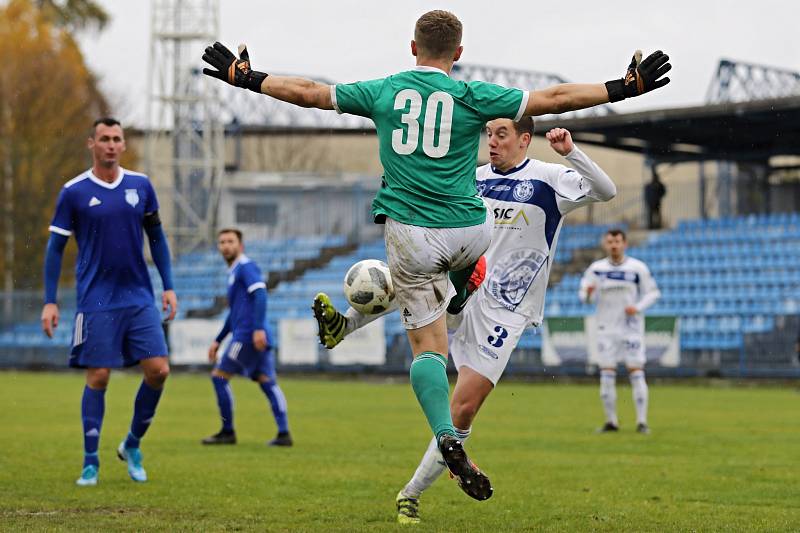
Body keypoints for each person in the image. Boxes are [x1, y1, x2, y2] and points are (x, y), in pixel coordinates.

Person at [201, 9, 670, 501]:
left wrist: (249, 78)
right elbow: (555, 98)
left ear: (412, 47)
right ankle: (454, 291)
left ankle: (444, 429)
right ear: (459, 55)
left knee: (427, 345)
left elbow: (310, 93)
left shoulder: (383, 90)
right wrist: (623, 86)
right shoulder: (471, 95)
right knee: (449, 271)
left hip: (413, 233)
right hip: (471, 232)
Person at [314, 120, 617, 523]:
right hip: (462, 285)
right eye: (489, 133)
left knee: (463, 409)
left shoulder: (549, 178)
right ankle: (344, 326)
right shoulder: (469, 179)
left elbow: (606, 190)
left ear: (524, 139)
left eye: (502, 134)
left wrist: (571, 152)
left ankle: (410, 494)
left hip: (504, 310)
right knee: (417, 270)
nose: (492, 141)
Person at [41, 117, 177, 486]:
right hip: (96, 298)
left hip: (138, 294)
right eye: (105, 139)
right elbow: (55, 249)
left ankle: (132, 444)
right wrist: (50, 301)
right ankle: (90, 462)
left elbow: (157, 238)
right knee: (99, 375)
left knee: (159, 370)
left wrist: (168, 285)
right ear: (92, 144)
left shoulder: (141, 186)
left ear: (123, 145)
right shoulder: (73, 191)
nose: (112, 145)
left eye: (117, 139)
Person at [202, 228, 292, 447]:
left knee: (219, 377)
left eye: (230, 241)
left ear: (240, 246)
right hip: (253, 335)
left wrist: (258, 328)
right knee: (267, 382)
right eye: (222, 242)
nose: (225, 245)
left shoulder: (245, 267)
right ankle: (284, 434)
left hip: (247, 336)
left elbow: (260, 293)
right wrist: (218, 339)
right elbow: (234, 313)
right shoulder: (234, 272)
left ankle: (227, 431)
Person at [579, 229, 661, 434]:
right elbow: (584, 297)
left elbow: (653, 293)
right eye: (610, 241)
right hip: (606, 328)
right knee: (606, 373)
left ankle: (642, 422)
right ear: (605, 245)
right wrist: (588, 294)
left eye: (617, 241)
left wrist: (638, 307)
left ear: (625, 244)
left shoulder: (637, 268)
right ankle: (611, 421)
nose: (614, 245)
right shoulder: (596, 269)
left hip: (630, 328)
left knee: (636, 371)